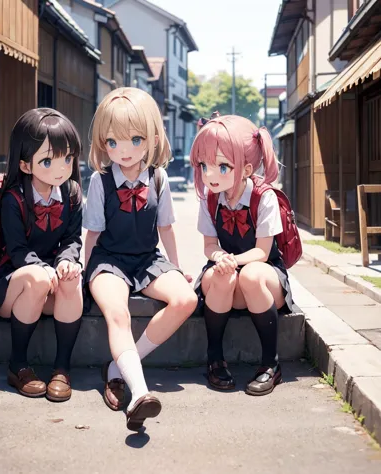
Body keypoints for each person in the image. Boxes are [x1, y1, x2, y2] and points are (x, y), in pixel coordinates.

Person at [83, 87, 198, 431]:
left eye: (136, 139)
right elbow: (91, 235)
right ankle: (139, 392)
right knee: (117, 312)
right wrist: (84, 274)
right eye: (113, 142)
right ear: (103, 143)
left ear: (151, 138)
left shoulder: (158, 179)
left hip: (149, 259)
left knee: (186, 298)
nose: (125, 150)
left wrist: (176, 267)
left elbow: (166, 228)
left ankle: (117, 369)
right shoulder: (99, 181)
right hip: (109, 261)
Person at [0, 108, 83, 402]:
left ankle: (61, 368)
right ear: (26, 165)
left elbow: (72, 238)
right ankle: (18, 365)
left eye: (67, 158)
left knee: (72, 278)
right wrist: (43, 268)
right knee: (37, 277)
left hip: (51, 288)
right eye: (48, 161)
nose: (60, 168)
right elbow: (17, 251)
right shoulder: (13, 198)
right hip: (14, 286)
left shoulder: (73, 193)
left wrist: (66, 261)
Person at [191, 114, 293, 396]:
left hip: (263, 278)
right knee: (222, 275)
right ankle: (215, 359)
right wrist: (221, 257)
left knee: (249, 273)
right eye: (204, 165)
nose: (209, 174)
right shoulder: (209, 197)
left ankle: (271, 364)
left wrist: (233, 260)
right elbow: (209, 246)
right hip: (227, 278)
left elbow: (262, 251)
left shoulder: (264, 197)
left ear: (247, 168)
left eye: (221, 166)